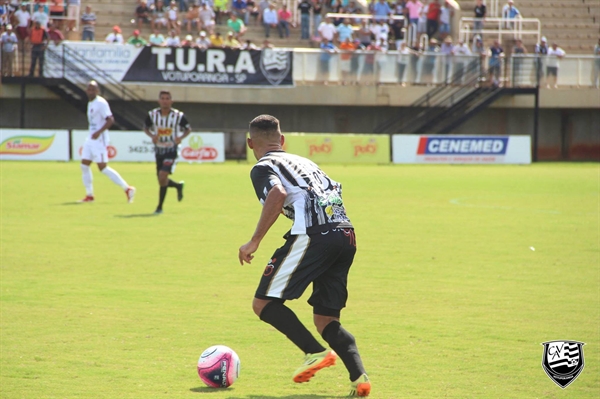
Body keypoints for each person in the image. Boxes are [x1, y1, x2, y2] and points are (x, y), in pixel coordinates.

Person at [239, 114, 371, 398]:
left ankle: (314, 353)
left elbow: (277, 193)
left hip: (315, 234)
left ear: (250, 143)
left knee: (263, 303)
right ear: (282, 140)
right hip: (345, 234)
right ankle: (359, 378)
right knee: (325, 318)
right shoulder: (306, 162)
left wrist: (254, 241)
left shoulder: (263, 166)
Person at [79, 81, 136, 204]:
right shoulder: (91, 103)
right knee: (84, 165)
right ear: (86, 91)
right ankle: (89, 195)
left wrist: (99, 132)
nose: (91, 92)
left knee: (102, 168)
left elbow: (110, 120)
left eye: (93, 89)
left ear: (98, 91)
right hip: (90, 138)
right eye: (89, 89)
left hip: (99, 139)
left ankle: (127, 188)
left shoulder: (101, 103)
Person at [143, 90, 189, 214]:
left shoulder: (178, 116)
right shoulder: (152, 115)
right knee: (161, 180)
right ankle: (178, 186)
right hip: (159, 149)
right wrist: (152, 135)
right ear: (159, 100)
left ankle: (159, 207)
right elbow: (146, 128)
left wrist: (180, 138)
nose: (165, 101)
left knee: (163, 176)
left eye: (167, 98)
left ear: (171, 101)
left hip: (171, 149)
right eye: (162, 98)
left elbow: (188, 128)